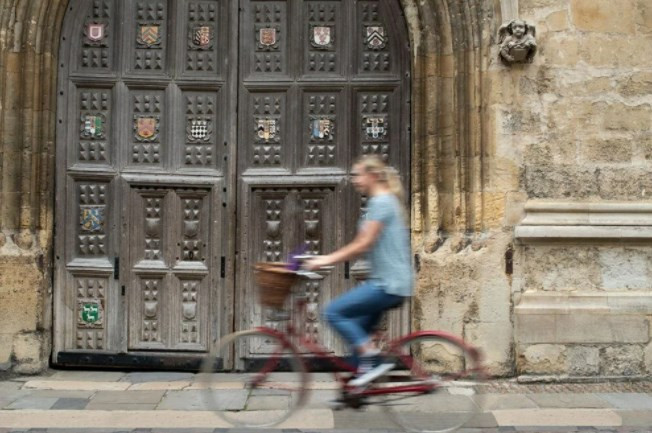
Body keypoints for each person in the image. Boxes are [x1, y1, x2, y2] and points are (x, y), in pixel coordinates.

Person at [306, 155, 414, 386]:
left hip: (388, 284)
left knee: (334, 312)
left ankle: (372, 360)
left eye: (357, 174)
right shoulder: (381, 201)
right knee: (359, 336)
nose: (353, 180)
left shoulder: (382, 202)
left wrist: (326, 260)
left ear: (372, 175)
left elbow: (363, 243)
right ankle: (356, 391)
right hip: (387, 281)